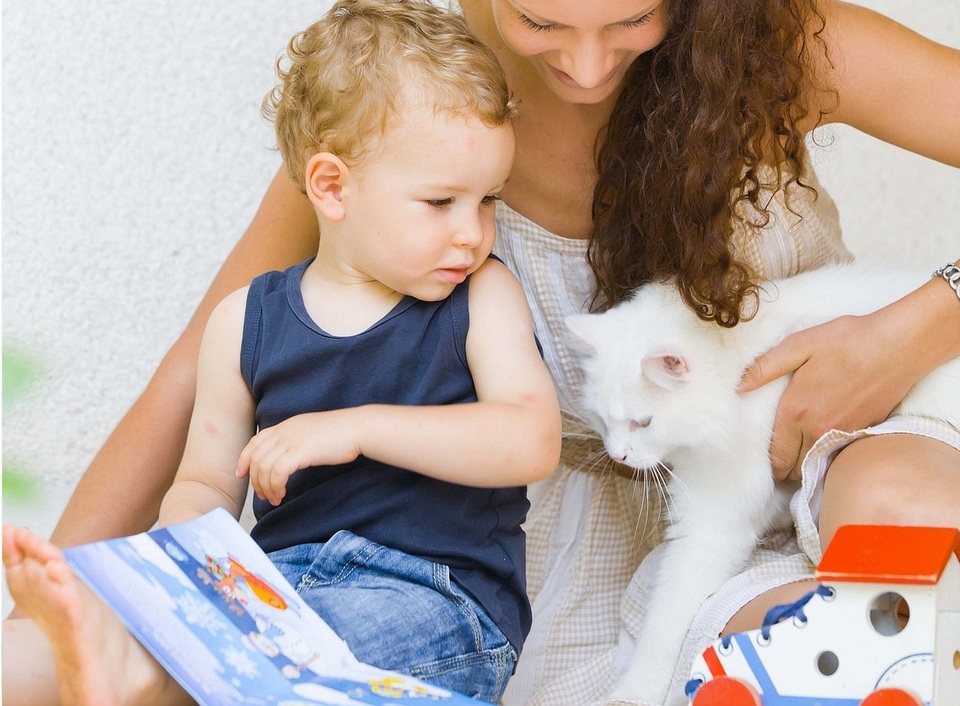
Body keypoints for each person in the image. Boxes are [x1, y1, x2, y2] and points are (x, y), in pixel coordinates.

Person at [6, 0, 960, 704]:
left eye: (633, 19)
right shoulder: (418, 106)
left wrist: (920, 319)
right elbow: (199, 378)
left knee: (901, 509)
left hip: (817, 439)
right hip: (539, 547)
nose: (587, 67)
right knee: (49, 662)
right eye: (543, 23)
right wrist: (46, 610)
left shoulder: (782, 45)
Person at [1, 1, 563, 703]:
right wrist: (178, 578)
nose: (471, 233)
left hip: (436, 604)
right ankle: (89, 659)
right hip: (276, 590)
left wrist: (355, 428)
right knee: (71, 646)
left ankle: (129, 676)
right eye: (442, 201)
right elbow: (205, 483)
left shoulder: (481, 299)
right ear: (331, 186)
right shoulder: (245, 322)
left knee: (263, 657)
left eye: (487, 201)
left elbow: (530, 439)